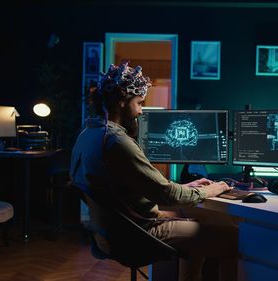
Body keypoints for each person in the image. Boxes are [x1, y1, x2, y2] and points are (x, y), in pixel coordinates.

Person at [70, 62, 237, 281]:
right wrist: (213, 189)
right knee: (233, 238)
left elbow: (137, 188)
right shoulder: (116, 142)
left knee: (198, 225)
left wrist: (187, 187)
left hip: (112, 234)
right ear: (122, 101)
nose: (141, 111)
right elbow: (166, 195)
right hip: (140, 233)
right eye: (139, 103)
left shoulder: (87, 135)